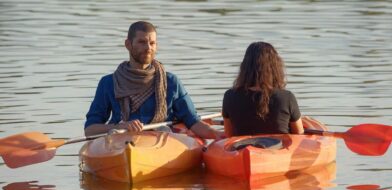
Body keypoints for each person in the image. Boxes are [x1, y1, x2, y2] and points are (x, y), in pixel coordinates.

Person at [84, 21, 223, 139]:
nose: (148, 48)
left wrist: (219, 135)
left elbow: (193, 122)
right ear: (128, 44)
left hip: (161, 141)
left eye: (152, 43)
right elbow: (89, 130)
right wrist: (120, 126)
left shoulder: (171, 82)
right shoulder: (108, 83)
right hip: (121, 141)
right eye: (142, 42)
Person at [222, 42, 304, 137]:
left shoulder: (230, 96)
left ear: (244, 67)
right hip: (278, 149)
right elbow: (299, 135)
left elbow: (229, 135)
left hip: (242, 149)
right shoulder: (286, 97)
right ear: (275, 67)